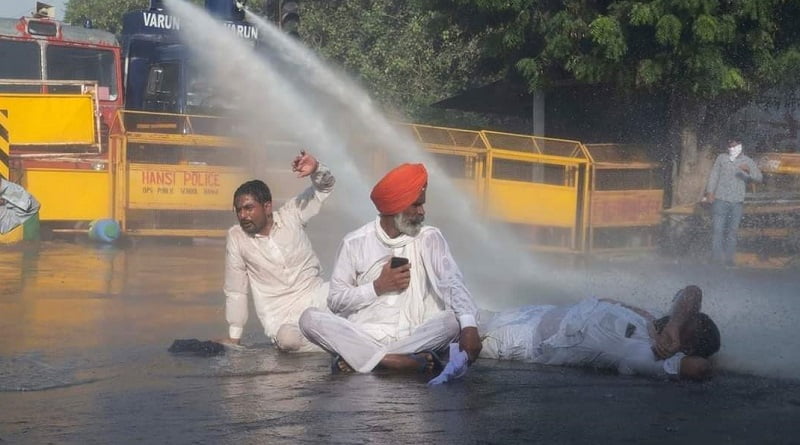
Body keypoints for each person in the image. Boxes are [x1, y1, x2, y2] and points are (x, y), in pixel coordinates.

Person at [299, 163, 481, 374]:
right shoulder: (355, 242)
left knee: (452, 322)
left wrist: (469, 326)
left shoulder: (428, 237)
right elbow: (336, 302)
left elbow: (451, 282)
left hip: (414, 333)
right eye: (416, 205)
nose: (422, 211)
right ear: (395, 209)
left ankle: (370, 360)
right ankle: (398, 361)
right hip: (365, 333)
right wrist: (377, 287)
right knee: (308, 319)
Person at [479, 285, 720, 380]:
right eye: (689, 316)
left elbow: (700, 368)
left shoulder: (647, 354)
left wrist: (678, 350)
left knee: (455, 331)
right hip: (533, 312)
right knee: (465, 311)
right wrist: (675, 325)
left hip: (519, 339)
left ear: (685, 348)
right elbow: (692, 292)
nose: (686, 316)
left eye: (691, 324)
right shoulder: (657, 317)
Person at [221, 151, 335, 352]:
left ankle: (340, 339)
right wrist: (234, 336)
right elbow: (236, 290)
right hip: (283, 318)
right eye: (239, 210)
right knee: (288, 340)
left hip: (317, 296)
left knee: (353, 289)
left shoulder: (292, 215)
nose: (243, 215)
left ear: (267, 207)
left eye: (248, 208)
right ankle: (340, 342)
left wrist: (316, 169)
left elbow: (325, 187)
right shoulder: (237, 238)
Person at [703, 139, 762, 266]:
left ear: (741, 146)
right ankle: (716, 259)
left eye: (735, 145)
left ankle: (729, 260)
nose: (732, 148)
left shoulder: (748, 161)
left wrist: (749, 171)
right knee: (717, 230)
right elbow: (714, 174)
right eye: (730, 145)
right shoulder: (722, 158)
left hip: (737, 202)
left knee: (732, 232)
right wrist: (710, 192)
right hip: (720, 199)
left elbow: (759, 178)